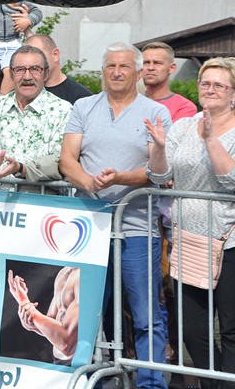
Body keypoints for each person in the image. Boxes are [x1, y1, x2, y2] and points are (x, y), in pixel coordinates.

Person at [60, 42, 171, 389]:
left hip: (137, 227)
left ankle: (151, 382)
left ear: (138, 72)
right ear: (103, 70)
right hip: (90, 227)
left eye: (124, 66)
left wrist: (122, 177)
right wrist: (87, 182)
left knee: (145, 314)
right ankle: (94, 379)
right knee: (88, 312)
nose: (117, 72)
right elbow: (67, 159)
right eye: (111, 66)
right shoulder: (83, 106)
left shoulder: (155, 112)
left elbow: (159, 173)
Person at [145, 57, 235, 387]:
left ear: (233, 93)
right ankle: (215, 384)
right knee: (190, 328)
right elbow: (160, 175)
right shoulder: (183, 126)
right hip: (188, 240)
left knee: (231, 327)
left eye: (218, 85)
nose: (209, 90)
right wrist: (158, 146)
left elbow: (232, 181)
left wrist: (211, 138)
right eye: (205, 83)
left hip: (230, 241)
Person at [0, 45, 72, 186]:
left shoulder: (62, 110)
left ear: (46, 74)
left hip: (42, 201)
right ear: (11, 74)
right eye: (19, 70)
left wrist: (21, 169)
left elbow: (61, 162)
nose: (27, 76)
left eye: (35, 69)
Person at [7, 266, 80, 364]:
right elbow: (52, 327)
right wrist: (23, 302)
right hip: (58, 361)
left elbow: (67, 345)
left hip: (76, 363)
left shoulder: (84, 276)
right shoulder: (65, 272)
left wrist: (28, 307)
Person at [23, 34, 92, 104]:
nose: (31, 62)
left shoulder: (82, 98)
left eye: (37, 56)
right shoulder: (21, 93)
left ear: (55, 55)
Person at [141, 41, 197, 122]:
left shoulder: (184, 107)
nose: (150, 68)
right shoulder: (129, 102)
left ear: (171, 68)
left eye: (157, 63)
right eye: (146, 63)